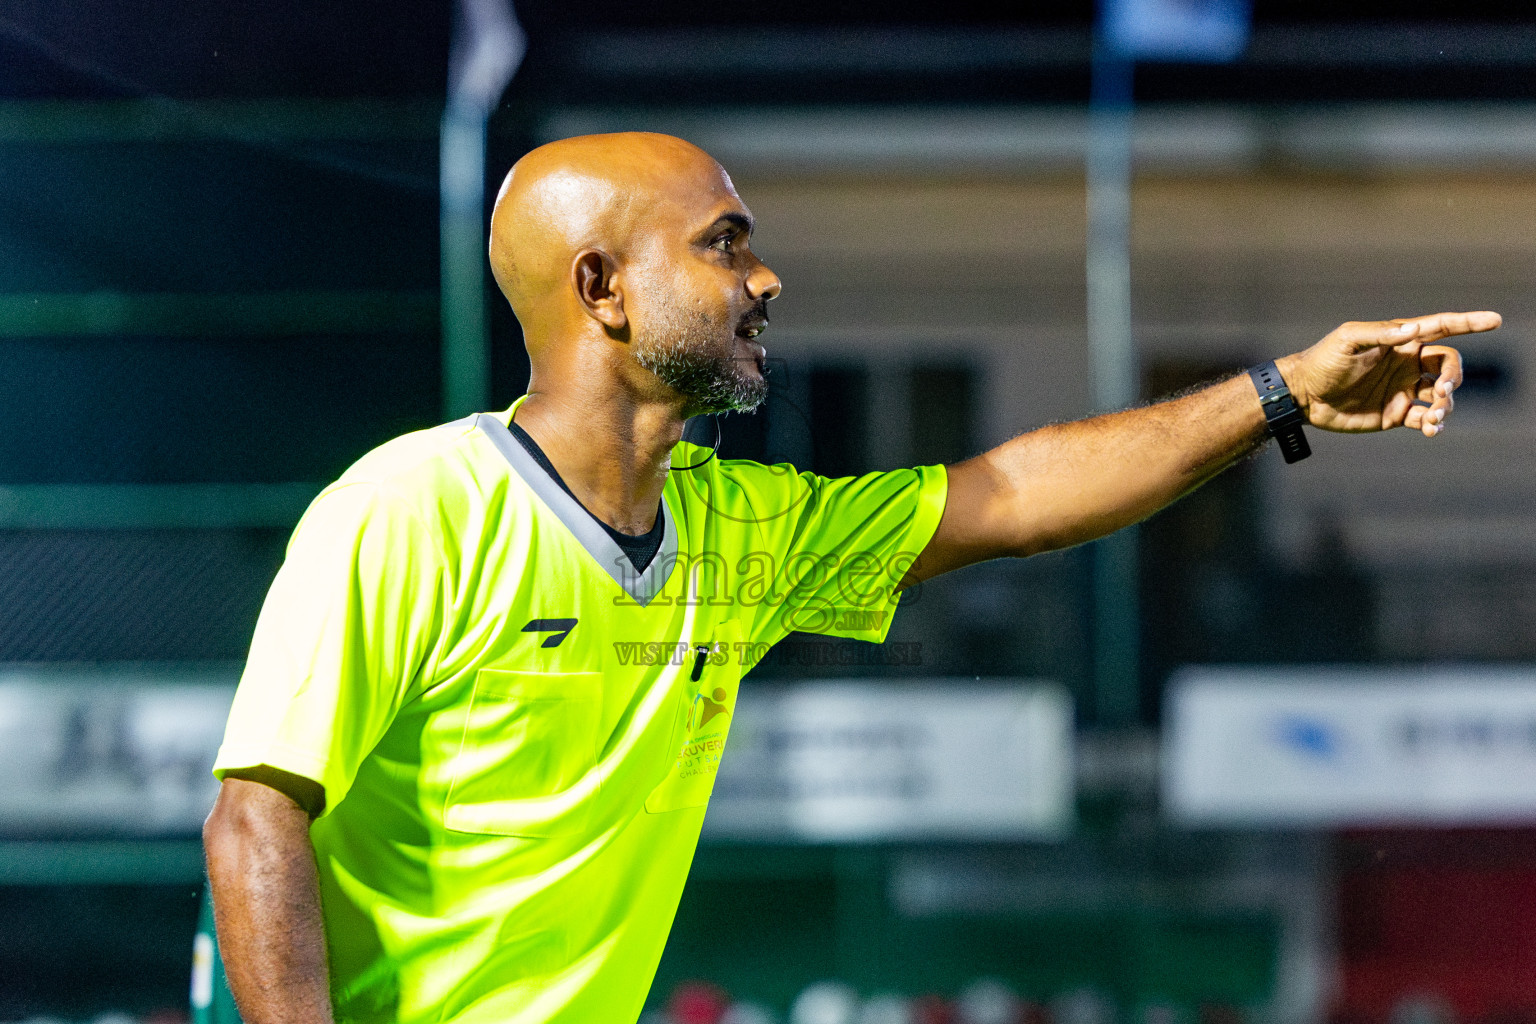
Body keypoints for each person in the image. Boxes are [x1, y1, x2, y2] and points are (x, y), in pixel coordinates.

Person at [201, 131, 1493, 1024]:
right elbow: (256, 816)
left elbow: (1021, 496)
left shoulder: (741, 532)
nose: (763, 279)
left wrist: (1282, 394)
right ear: (599, 290)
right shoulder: (411, 509)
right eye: (722, 245)